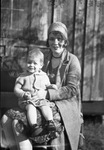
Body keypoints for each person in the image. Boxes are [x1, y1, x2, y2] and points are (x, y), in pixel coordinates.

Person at [1, 22, 82, 150]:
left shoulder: (72, 60)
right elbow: (30, 75)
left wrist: (46, 94)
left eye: (59, 38)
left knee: (18, 124)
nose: (55, 42)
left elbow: (72, 90)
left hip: (62, 104)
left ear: (65, 41)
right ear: (48, 41)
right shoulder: (44, 58)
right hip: (37, 100)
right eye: (52, 38)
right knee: (6, 119)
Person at [14, 48, 56, 137]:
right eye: (29, 62)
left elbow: (47, 85)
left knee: (45, 105)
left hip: (40, 99)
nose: (31, 65)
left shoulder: (44, 75)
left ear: (41, 65)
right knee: (31, 107)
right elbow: (16, 89)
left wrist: (51, 86)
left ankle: (50, 122)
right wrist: (23, 94)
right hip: (27, 100)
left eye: (35, 63)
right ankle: (34, 126)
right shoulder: (23, 76)